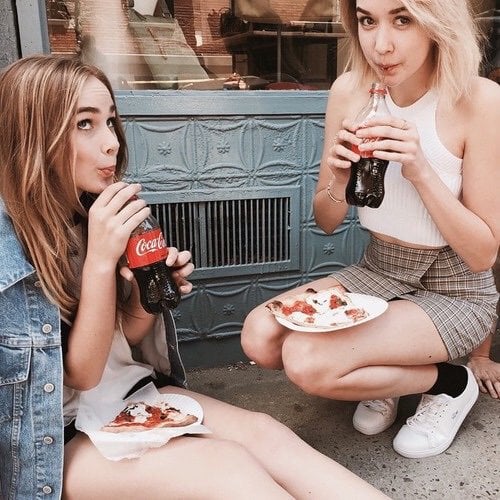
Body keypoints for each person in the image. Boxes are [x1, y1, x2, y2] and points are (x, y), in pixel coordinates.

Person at [0, 54, 388, 500]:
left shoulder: (95, 212)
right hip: (59, 436)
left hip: (130, 394)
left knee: (267, 435)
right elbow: (82, 377)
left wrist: (147, 298)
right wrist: (100, 263)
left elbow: (122, 335)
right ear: (34, 137)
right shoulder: (12, 250)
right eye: (84, 124)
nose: (111, 143)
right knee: (228, 467)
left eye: (110, 121)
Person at [241, 0, 500, 459]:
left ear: (437, 19)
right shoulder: (349, 91)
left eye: (402, 19)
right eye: (367, 20)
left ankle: (451, 385)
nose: (381, 44)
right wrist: (337, 177)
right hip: (380, 270)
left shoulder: (478, 100)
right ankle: (386, 365)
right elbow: (326, 220)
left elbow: (483, 255)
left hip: (456, 287)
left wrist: (420, 169)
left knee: (307, 361)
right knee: (260, 336)